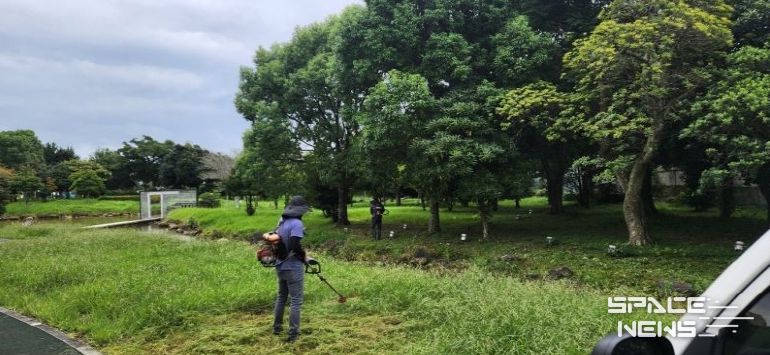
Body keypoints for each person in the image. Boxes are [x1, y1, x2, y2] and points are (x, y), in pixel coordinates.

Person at [272, 196, 310, 343]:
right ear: (301, 211)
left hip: (280, 265)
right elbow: (294, 245)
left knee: (281, 297)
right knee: (296, 301)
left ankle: (277, 328)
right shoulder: (297, 224)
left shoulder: (281, 223)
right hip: (293, 267)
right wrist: (304, 258)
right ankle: (293, 334)